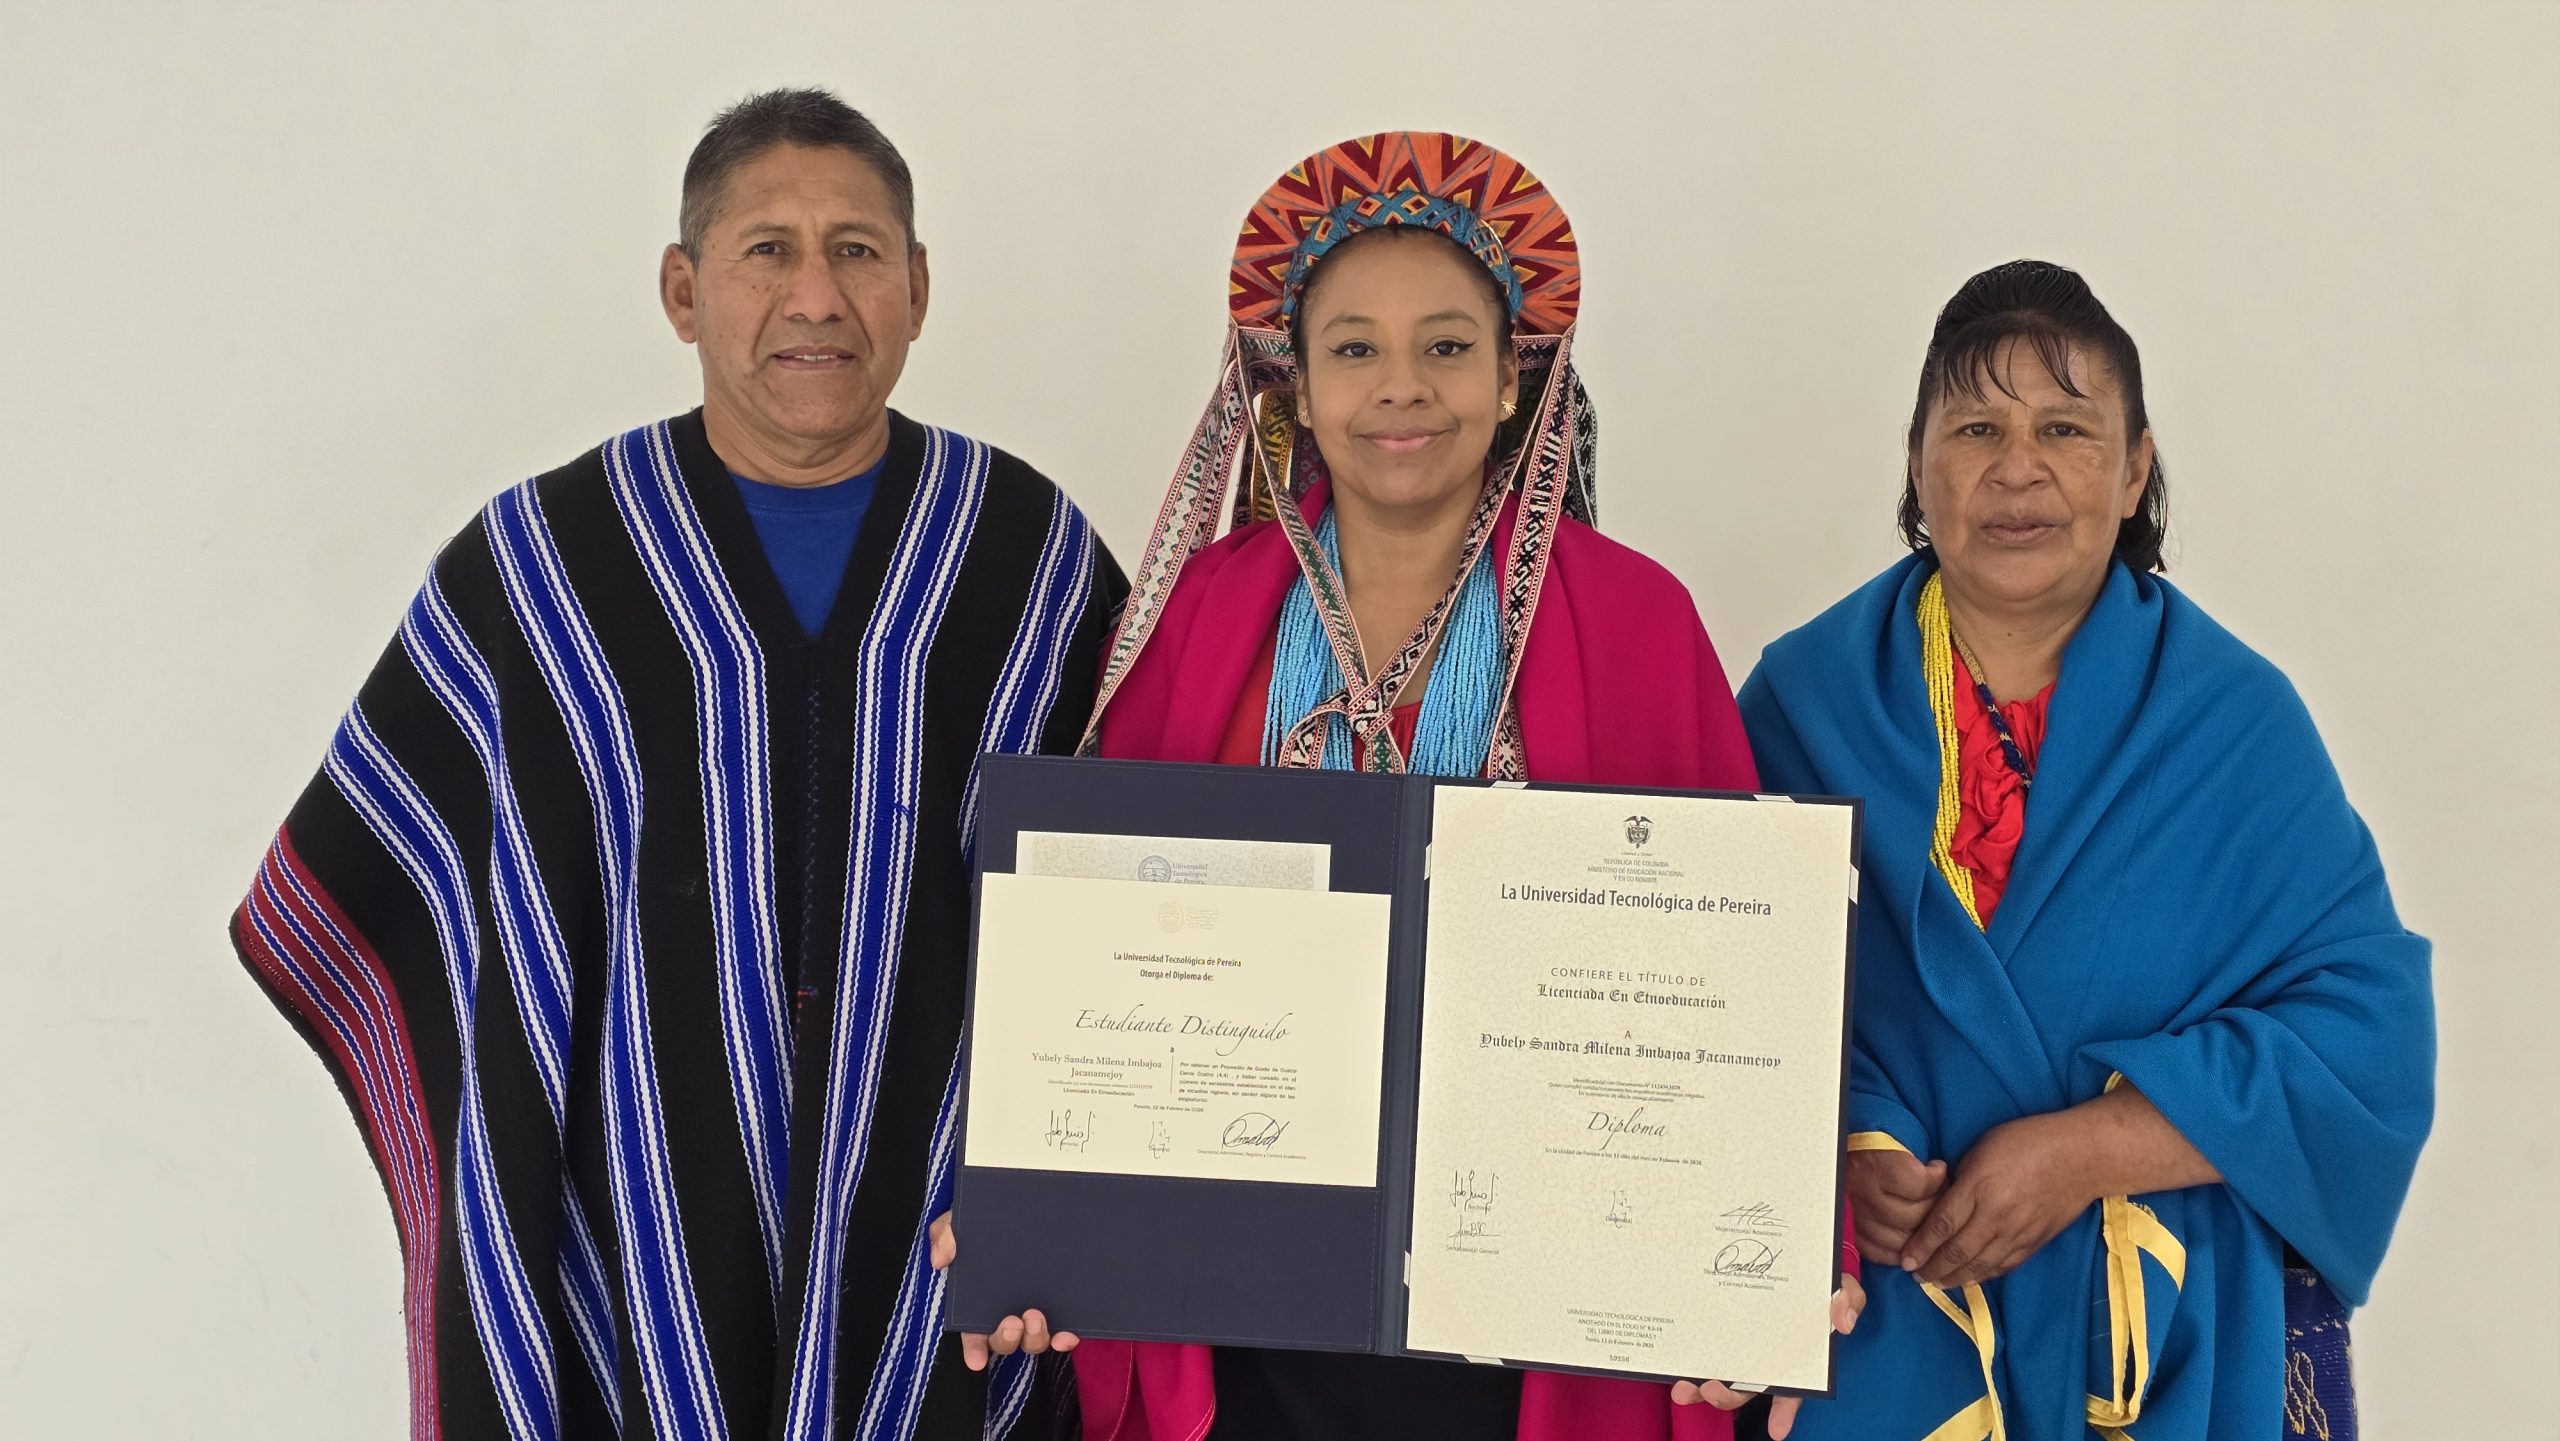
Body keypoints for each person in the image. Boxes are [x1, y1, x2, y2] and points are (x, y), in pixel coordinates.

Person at [935, 131, 1859, 1441]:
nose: (1401, 387)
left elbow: (1736, 971)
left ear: (1511, 378)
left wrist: (1770, 1259)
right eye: (1355, 348)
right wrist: (1036, 1212)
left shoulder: (1635, 622)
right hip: (1249, 1293)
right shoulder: (1206, 615)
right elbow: (1095, 948)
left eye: (1447, 345)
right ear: (1298, 387)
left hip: (1536, 1300)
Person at [227, 88, 1121, 1440]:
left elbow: (1138, 903)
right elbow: (372, 885)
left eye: (858, 250)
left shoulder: (1029, 554)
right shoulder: (544, 568)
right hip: (628, 1229)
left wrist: (1079, 1193)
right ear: (682, 291)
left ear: (920, 289)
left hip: (943, 1250)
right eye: (768, 249)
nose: (816, 295)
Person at [1737, 260, 2434, 1440]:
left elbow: (2366, 1036)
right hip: (1883, 1315)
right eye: (1975, 428)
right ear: (1916, 462)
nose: (2017, 469)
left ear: (2134, 467)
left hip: (2159, 1328)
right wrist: (1849, 1147)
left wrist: (2083, 1154)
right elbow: (1716, 990)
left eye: (2064, 428)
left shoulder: (2234, 722)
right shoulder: (1803, 701)